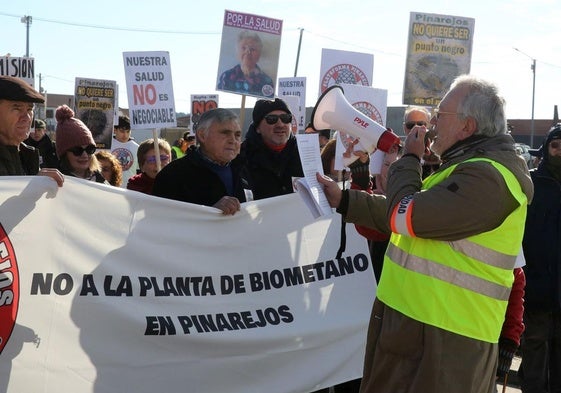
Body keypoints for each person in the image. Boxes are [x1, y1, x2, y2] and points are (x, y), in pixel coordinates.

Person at [316, 74, 534, 393]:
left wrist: (410, 158)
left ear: (467, 126)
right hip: (422, 331)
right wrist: (346, 199)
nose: (431, 124)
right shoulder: (466, 171)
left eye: (439, 115)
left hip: (444, 339)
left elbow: (404, 215)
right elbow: (415, 214)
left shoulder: (487, 178)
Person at [519, 123, 561, 393]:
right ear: (546, 149)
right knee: (534, 360)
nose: (560, 153)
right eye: (556, 146)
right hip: (535, 290)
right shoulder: (530, 184)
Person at [153, 108, 250, 215]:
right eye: (225, 133)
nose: (233, 140)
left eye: (237, 135)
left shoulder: (247, 170)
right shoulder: (172, 175)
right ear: (202, 135)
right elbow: (162, 221)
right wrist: (209, 212)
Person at [0, 76, 63, 186]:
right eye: (17, 108)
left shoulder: (27, 155)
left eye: (29, 109)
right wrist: (30, 188)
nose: (27, 118)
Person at [237, 98, 304, 200]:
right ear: (258, 128)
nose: (280, 124)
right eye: (272, 119)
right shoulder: (241, 156)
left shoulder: (305, 153)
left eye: (285, 118)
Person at [55, 105, 106, 183]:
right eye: (77, 150)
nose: (84, 155)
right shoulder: (54, 183)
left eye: (90, 149)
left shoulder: (102, 180)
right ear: (64, 153)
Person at [217, 30, 274, 98]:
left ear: (259, 54)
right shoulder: (226, 76)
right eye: (243, 48)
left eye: (252, 49)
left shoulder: (266, 81)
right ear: (237, 51)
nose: (247, 52)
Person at [111, 115, 139, 188]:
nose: (125, 135)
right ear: (115, 130)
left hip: (130, 188)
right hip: (110, 186)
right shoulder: (107, 145)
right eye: (122, 131)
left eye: (128, 131)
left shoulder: (136, 147)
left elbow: (139, 170)